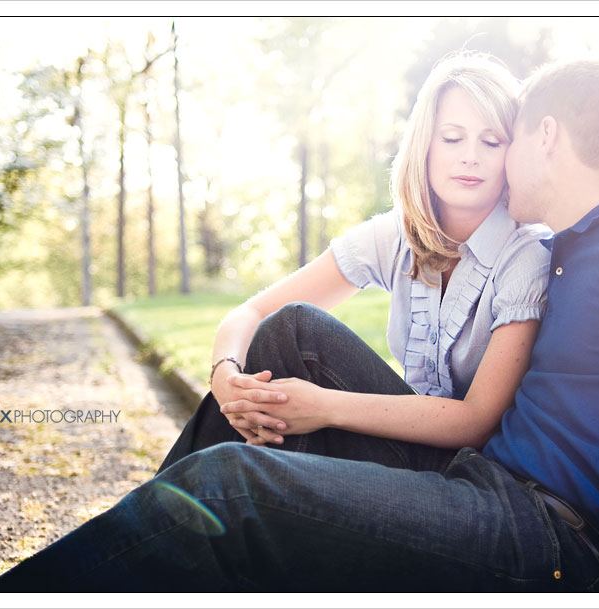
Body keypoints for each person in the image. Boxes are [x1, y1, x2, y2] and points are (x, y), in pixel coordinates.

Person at [0, 59, 599, 593]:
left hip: (548, 542)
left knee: (229, 488)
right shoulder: (579, 249)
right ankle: (155, 551)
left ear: (545, 139)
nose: (483, 160)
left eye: (503, 136)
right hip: (480, 482)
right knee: (288, 331)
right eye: (458, 139)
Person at [155, 51, 549, 470]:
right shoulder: (397, 234)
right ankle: (183, 507)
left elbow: (475, 423)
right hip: (402, 447)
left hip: (475, 477)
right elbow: (250, 312)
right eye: (452, 138)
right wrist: (226, 380)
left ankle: (167, 513)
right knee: (279, 344)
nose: (471, 155)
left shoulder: (526, 255)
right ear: (425, 146)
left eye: (492, 141)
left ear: (513, 154)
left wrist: (325, 406)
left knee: (297, 332)